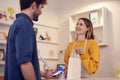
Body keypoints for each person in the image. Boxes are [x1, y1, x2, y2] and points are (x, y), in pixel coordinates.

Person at [4, 0, 58, 80]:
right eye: (41, 7)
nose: (41, 12)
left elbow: (22, 60)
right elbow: (25, 63)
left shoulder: (16, 24)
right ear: (34, 5)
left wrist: (44, 74)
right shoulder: (25, 25)